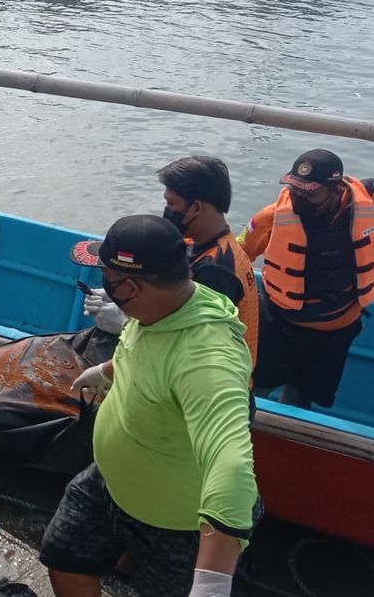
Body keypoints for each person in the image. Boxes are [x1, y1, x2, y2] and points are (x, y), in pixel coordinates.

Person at [52, 216, 257, 597]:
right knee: (63, 554)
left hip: (174, 524)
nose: (105, 288)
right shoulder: (160, 309)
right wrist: (108, 370)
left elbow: (232, 469)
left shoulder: (207, 358)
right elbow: (147, 349)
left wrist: (211, 585)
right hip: (110, 483)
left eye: (109, 281)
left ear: (130, 287)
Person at [238, 149, 374, 409]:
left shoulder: (370, 198)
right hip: (277, 324)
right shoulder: (271, 216)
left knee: (301, 396)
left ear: (336, 187)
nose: (299, 196)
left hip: (333, 334)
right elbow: (237, 255)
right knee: (254, 388)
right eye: (295, 188)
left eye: (310, 191)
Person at [81, 156, 259, 368]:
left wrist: (123, 322)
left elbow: (189, 341)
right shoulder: (201, 242)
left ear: (196, 208)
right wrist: (119, 293)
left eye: (171, 203)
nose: (167, 210)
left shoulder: (216, 271)